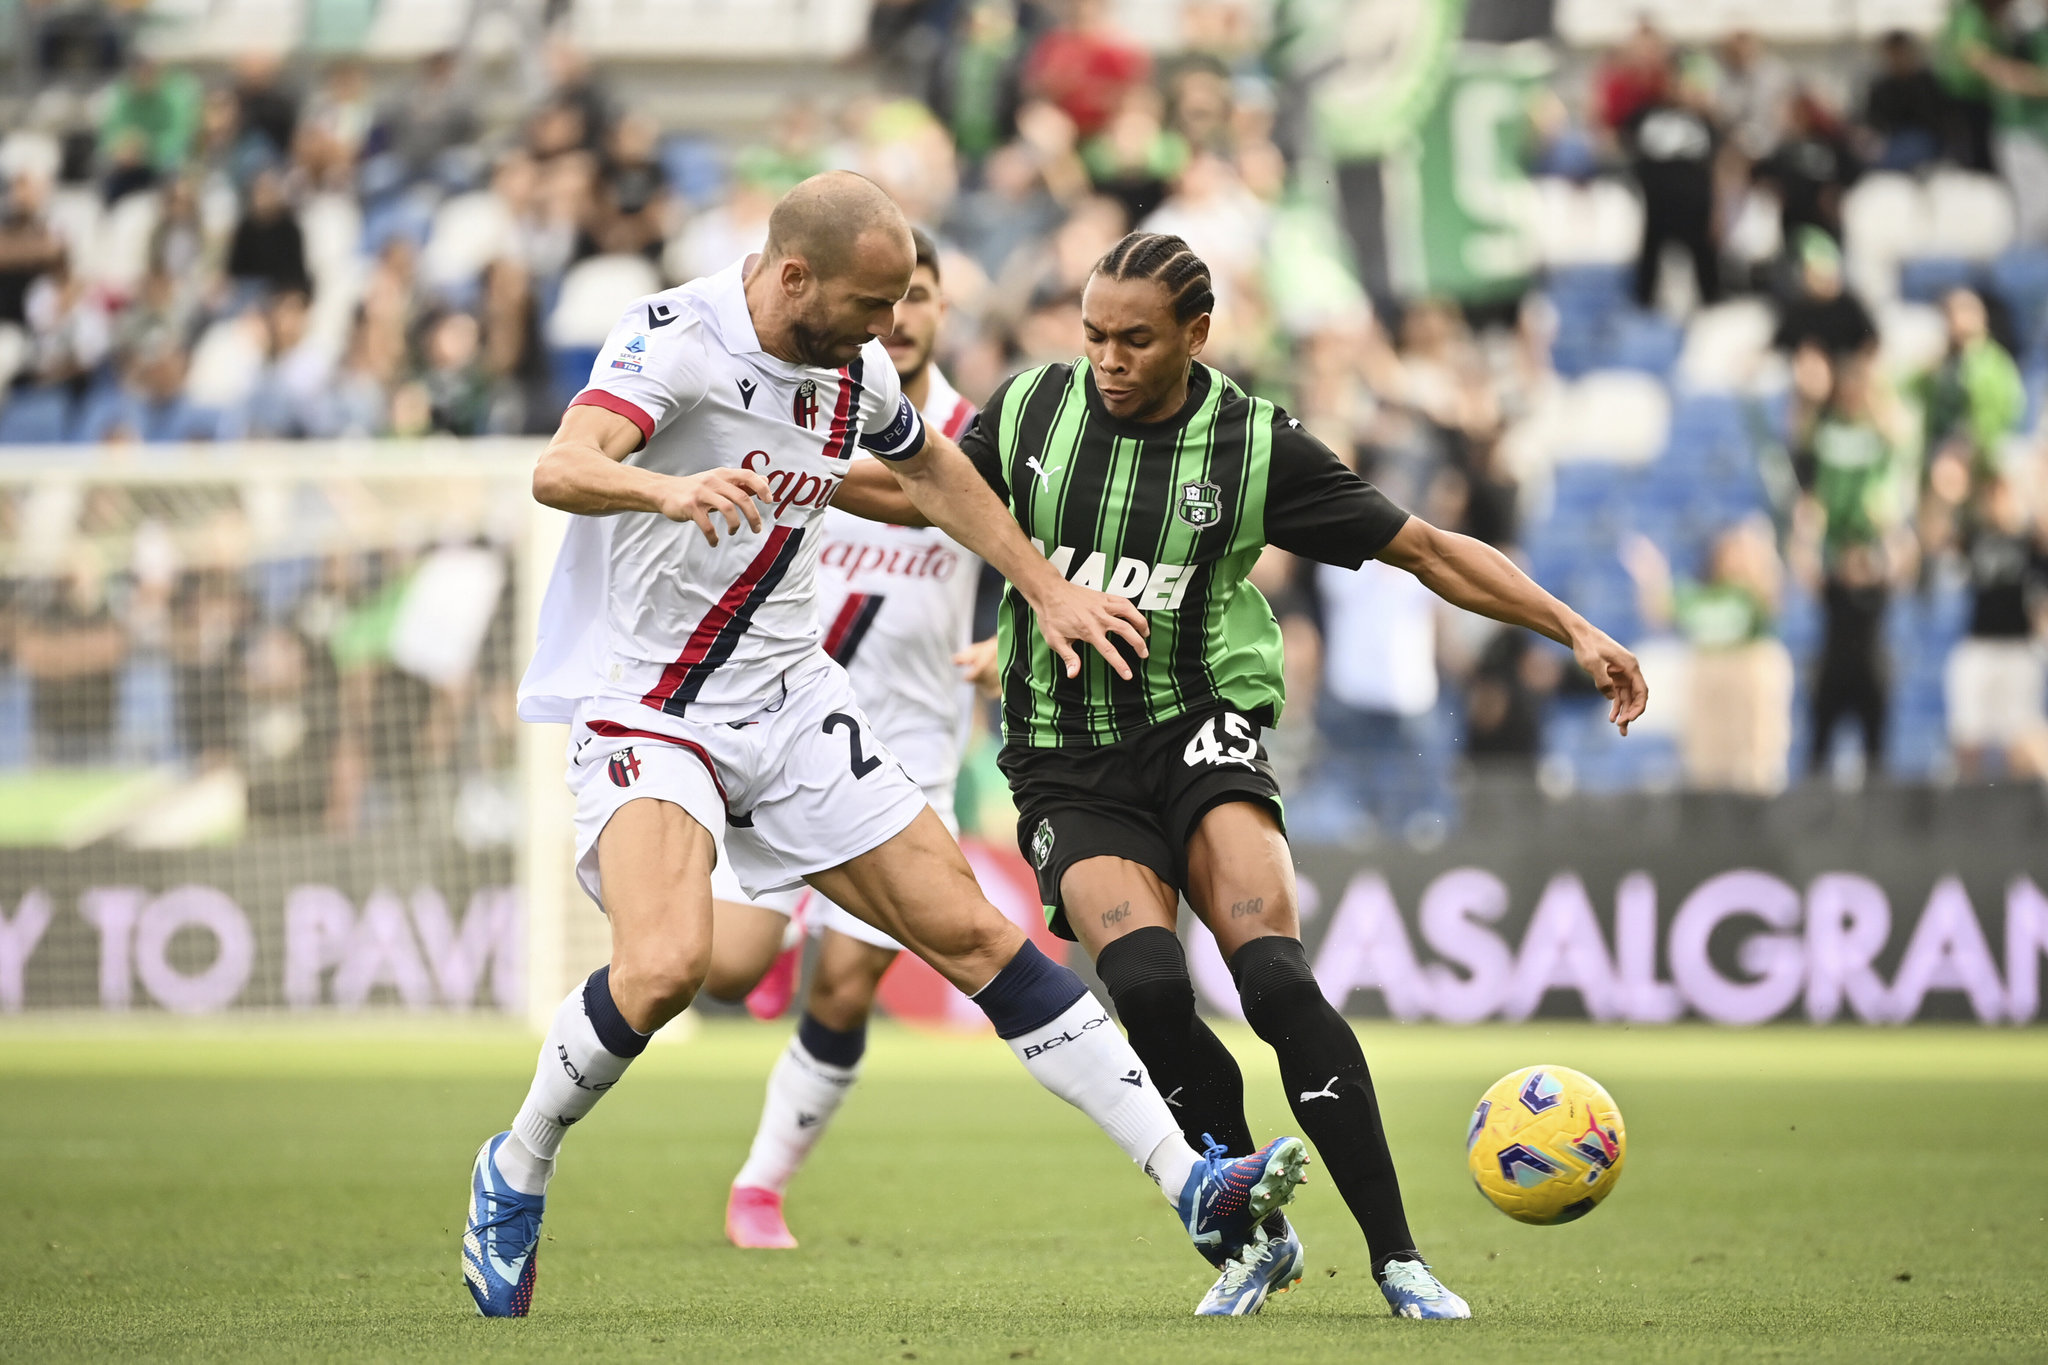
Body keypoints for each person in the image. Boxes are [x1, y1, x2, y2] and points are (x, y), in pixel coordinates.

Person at [463, 173, 1308, 1319]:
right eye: (869, 306)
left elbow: (931, 470)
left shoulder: (850, 366)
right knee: (666, 969)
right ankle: (516, 1167)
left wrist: (1044, 589)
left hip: (791, 703)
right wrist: (659, 492)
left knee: (975, 935)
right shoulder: (677, 340)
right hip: (654, 706)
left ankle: (1191, 1183)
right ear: (792, 276)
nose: (885, 333)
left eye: (901, 305)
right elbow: (560, 466)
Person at [837, 231, 1649, 1319]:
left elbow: (1424, 549)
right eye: (1092, 337)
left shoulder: (1254, 449)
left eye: (1134, 339)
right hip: (1066, 761)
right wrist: (781, 474)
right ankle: (1251, 1236)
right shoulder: (1031, 412)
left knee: (1271, 979)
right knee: (1152, 996)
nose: (1108, 360)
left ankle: (1398, 1259)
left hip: (1197, 728)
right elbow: (921, 493)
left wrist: (1573, 629)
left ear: (1196, 336)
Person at [709, 228, 994, 1250]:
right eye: (892, 298)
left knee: (847, 982)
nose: (904, 315)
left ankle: (759, 1185)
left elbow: (1030, 555)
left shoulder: (970, 436)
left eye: (922, 296)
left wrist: (1004, 644)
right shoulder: (807, 413)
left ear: (941, 313)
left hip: (908, 748)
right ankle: (771, 939)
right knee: (721, 973)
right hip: (782, 727)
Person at [1944, 476, 2048, 779]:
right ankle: (1966, 812)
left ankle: (2034, 815)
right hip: (1979, 645)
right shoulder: (1974, 538)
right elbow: (1939, 538)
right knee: (1967, 735)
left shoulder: (2031, 543)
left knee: (2023, 735)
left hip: (2018, 647)